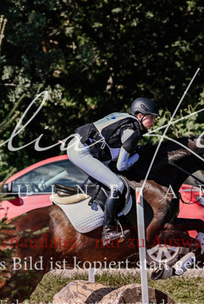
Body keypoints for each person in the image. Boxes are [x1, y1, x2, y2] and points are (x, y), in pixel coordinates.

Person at [67, 97, 159, 245]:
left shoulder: (123, 117)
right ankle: (108, 230)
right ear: (140, 116)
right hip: (82, 152)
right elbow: (121, 166)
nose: (154, 121)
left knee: (108, 178)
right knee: (117, 185)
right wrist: (138, 155)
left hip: (78, 146)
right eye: (152, 117)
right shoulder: (133, 130)